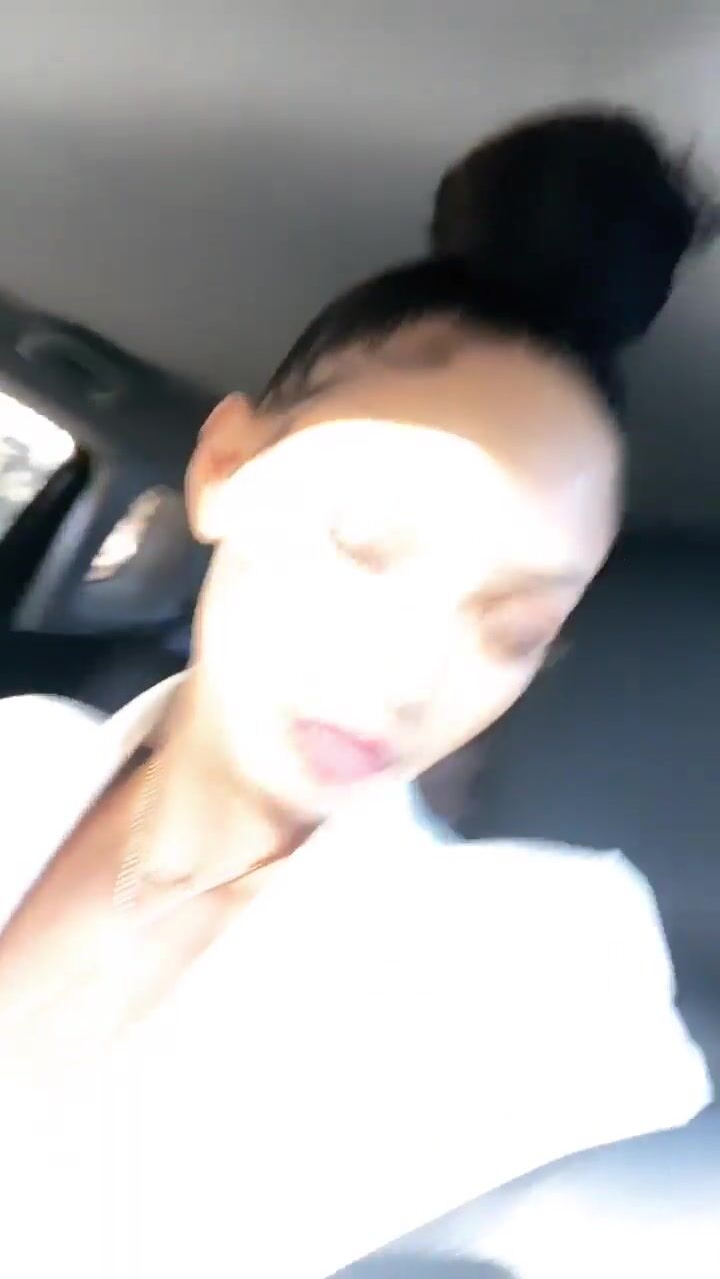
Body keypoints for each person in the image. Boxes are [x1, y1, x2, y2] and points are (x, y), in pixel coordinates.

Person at [0, 107, 714, 1279]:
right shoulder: (18, 755)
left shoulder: (544, 957)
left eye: (514, 627)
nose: (409, 672)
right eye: (364, 544)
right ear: (226, 469)